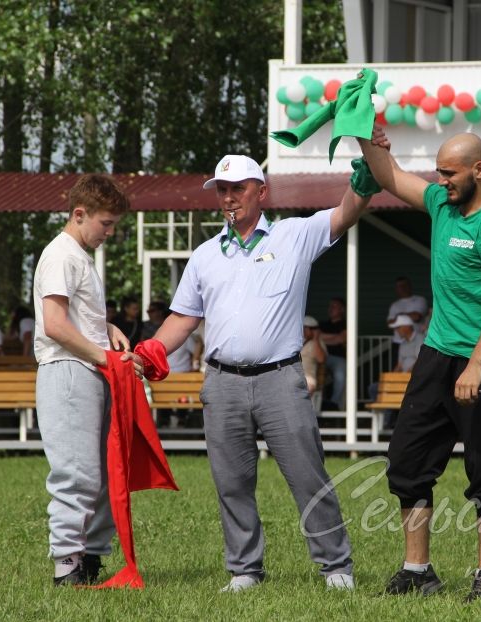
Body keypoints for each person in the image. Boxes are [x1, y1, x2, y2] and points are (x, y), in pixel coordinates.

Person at [144, 153, 374, 593]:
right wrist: (151, 349)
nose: (229, 198)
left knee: (309, 476)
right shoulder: (205, 256)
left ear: (261, 192)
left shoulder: (294, 234)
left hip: (281, 379)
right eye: (223, 190)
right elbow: (182, 319)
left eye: (239, 189)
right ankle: (245, 570)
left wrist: (363, 180)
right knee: (231, 482)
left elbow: (346, 213)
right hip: (222, 382)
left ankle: (336, 567)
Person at [359, 127, 481, 601]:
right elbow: (389, 177)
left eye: (449, 173)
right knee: (406, 464)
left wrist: (476, 364)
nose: (441, 180)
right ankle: (417, 570)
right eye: (438, 172)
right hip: (436, 356)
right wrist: (363, 135)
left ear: (480, 170)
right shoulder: (442, 206)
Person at [32, 173, 136, 586]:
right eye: (106, 223)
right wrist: (105, 357)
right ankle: (67, 567)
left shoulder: (78, 255)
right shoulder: (61, 254)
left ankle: (90, 558)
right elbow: (55, 325)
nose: (110, 232)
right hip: (68, 371)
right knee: (78, 473)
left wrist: (104, 326)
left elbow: (73, 316)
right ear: (79, 214)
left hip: (88, 369)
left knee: (104, 471)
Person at [387, 276, 428, 362]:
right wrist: (408, 315)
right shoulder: (395, 305)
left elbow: (417, 317)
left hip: (416, 339)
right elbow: (390, 323)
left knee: (417, 362)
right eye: (399, 286)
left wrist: (399, 315)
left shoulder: (419, 300)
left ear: (409, 286)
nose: (402, 288)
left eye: (404, 285)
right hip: (398, 341)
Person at [319, 297, 347, 410]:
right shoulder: (322, 324)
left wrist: (323, 337)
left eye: (334, 306)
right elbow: (317, 338)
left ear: (342, 309)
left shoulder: (345, 323)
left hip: (338, 358)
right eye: (330, 306)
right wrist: (335, 337)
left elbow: (341, 339)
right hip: (322, 356)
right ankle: (317, 404)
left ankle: (333, 405)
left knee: (340, 375)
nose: (330, 309)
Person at [301, 315, 327, 411]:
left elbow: (321, 359)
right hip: (292, 376)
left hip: (308, 378)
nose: (304, 330)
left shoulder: (317, 343)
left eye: (307, 328)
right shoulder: (296, 342)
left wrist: (316, 339)